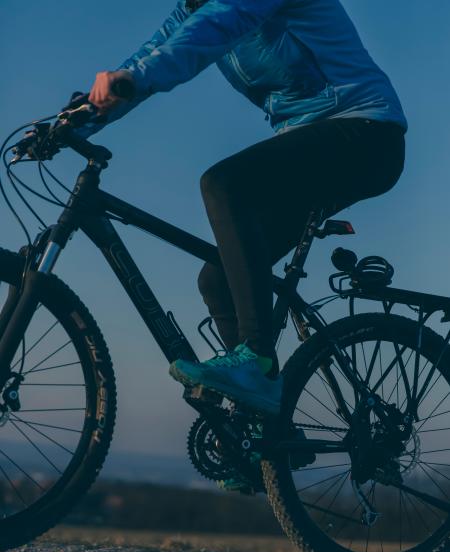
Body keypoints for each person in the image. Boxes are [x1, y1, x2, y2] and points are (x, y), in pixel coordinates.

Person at [82, 0, 407, 416]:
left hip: (365, 132)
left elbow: (218, 25)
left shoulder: (229, 8)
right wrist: (75, 117)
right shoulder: (191, 11)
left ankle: (256, 361)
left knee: (223, 184)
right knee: (216, 281)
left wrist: (136, 77)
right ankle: (260, 422)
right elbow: (150, 57)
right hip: (310, 141)